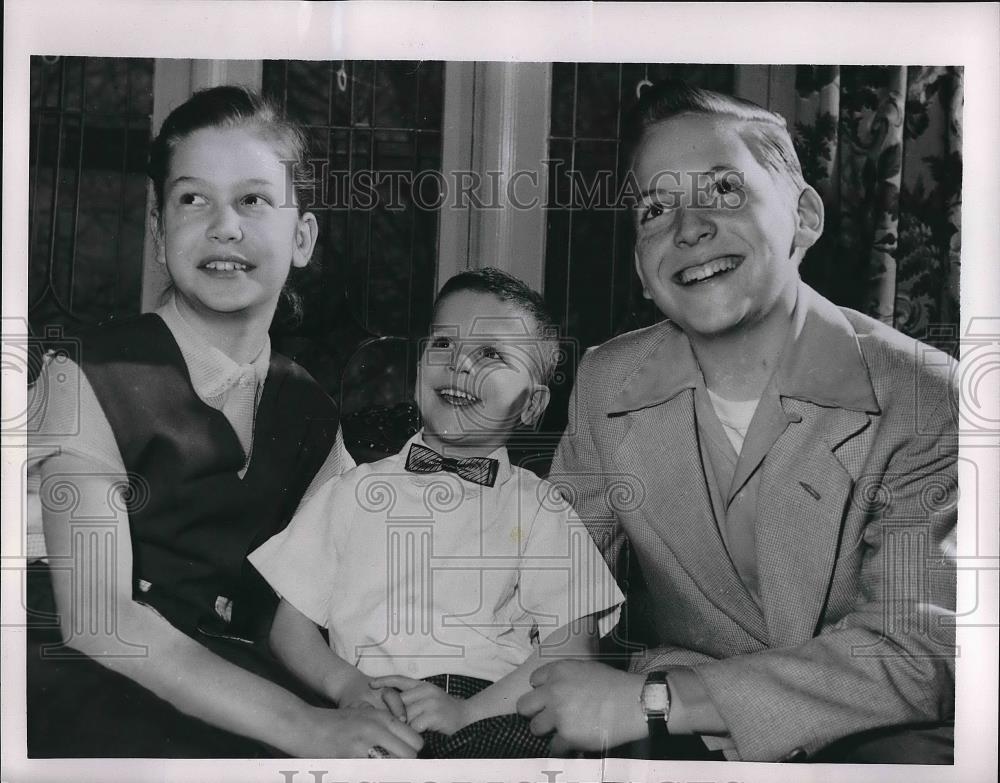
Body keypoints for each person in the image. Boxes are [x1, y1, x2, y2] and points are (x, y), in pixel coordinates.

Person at [516, 81, 958, 763]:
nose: (687, 228)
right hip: (671, 740)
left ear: (804, 217)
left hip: (874, 736)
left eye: (724, 190)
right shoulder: (607, 381)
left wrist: (656, 699)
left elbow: (913, 654)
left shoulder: (926, 395)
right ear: (641, 268)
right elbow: (552, 582)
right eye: (653, 209)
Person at [26, 85, 423, 759]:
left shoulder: (312, 414)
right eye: (191, 199)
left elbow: (282, 611)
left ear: (302, 238)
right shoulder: (80, 375)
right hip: (83, 679)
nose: (224, 225)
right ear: (158, 233)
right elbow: (99, 617)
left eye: (253, 199)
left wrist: (351, 687)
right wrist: (308, 725)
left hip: (228, 679)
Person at [250, 268, 625, 758]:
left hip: (493, 710)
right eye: (444, 344)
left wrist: (467, 713)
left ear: (531, 404)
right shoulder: (353, 491)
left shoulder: (540, 507)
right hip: (371, 705)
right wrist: (347, 688)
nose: (459, 366)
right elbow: (290, 626)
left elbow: (572, 651)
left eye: (490, 353)